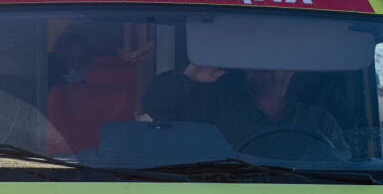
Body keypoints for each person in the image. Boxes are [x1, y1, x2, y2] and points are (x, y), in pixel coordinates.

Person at [142, 63, 349, 154]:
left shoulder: (320, 122)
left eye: (275, 59)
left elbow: (344, 173)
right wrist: (190, 76)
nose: (264, 65)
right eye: (255, 59)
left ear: (293, 68)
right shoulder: (213, 109)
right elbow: (156, 107)